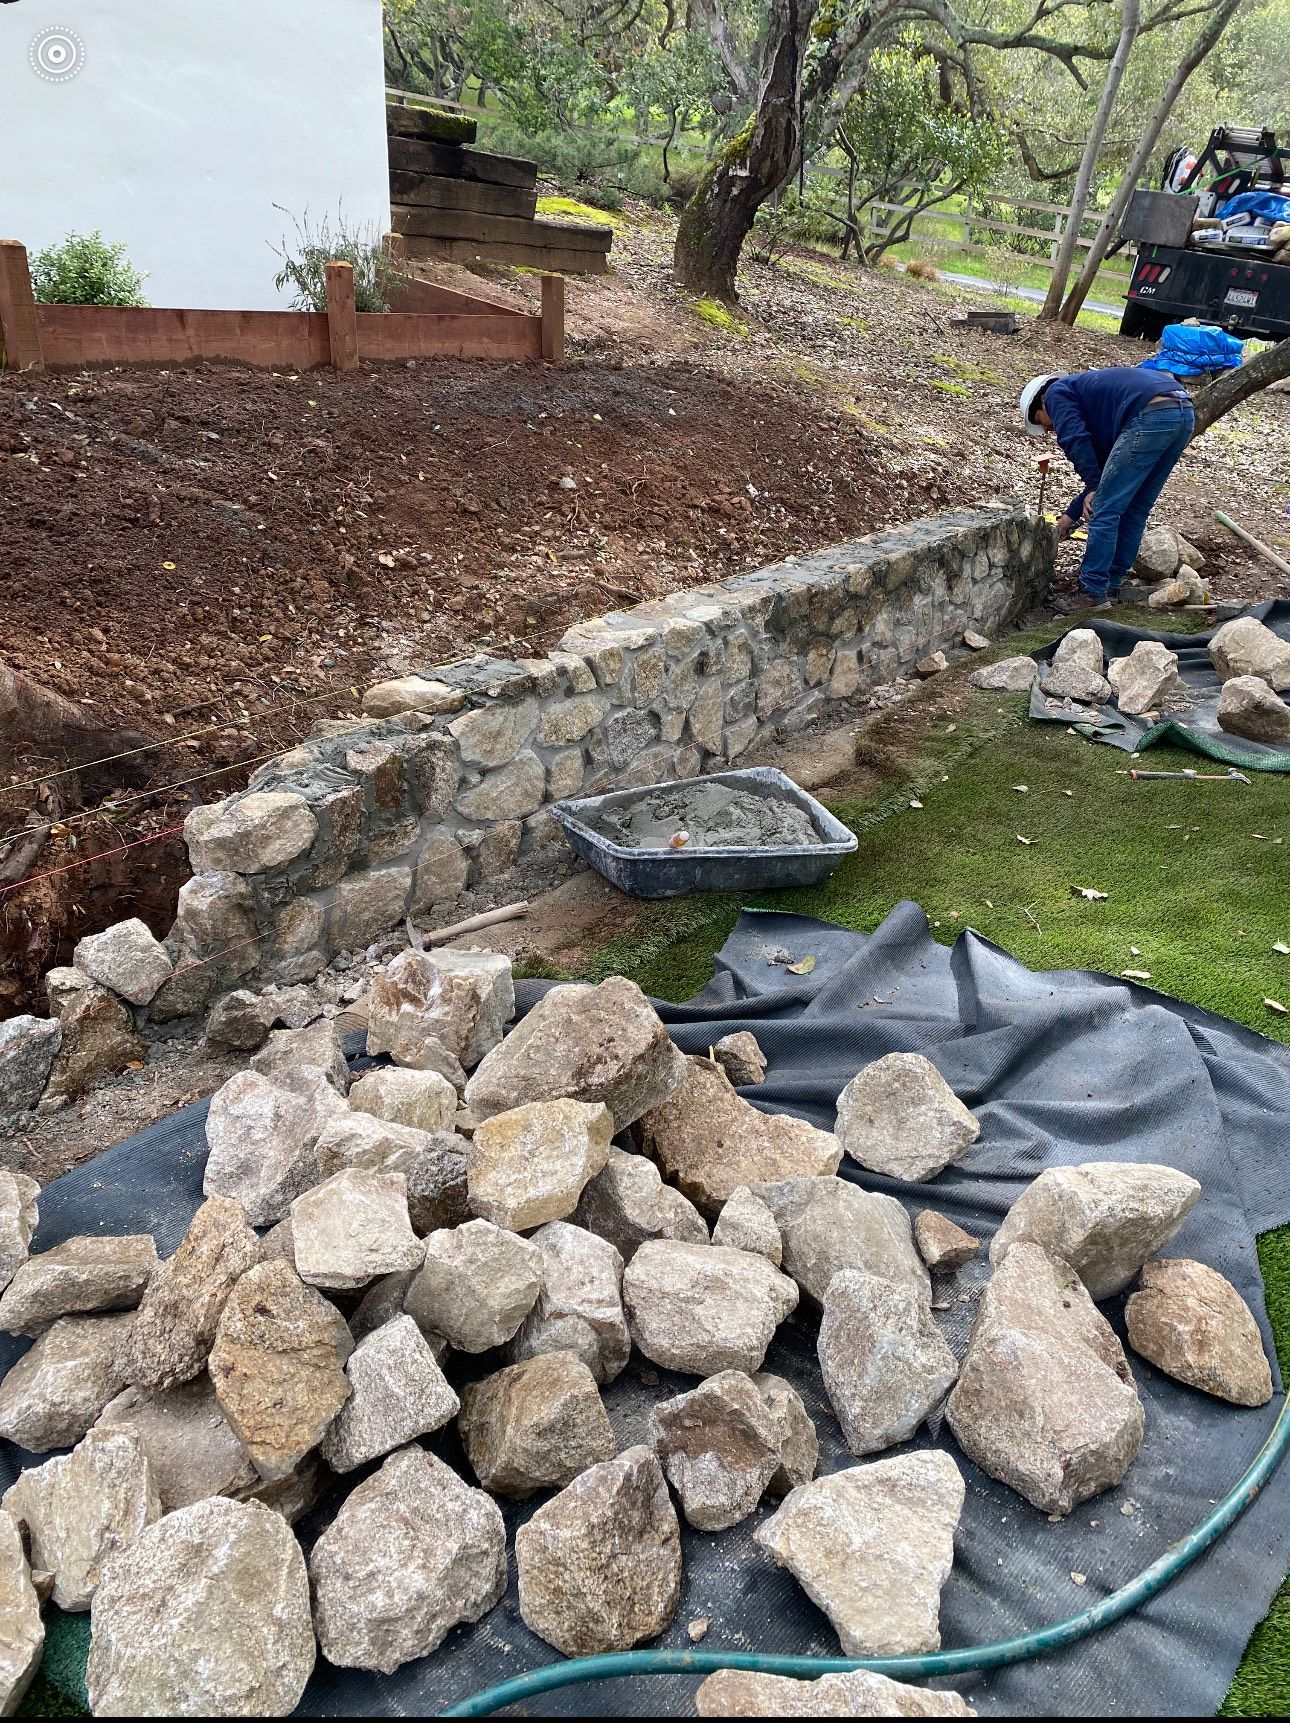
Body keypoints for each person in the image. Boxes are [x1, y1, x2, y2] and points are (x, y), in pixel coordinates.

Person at [1019, 367, 1194, 612]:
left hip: (1150, 415)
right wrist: (1070, 515)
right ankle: (1112, 584)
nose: (1049, 430)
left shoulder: (1056, 393)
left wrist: (1093, 489)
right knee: (1135, 509)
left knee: (1104, 511)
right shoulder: (1097, 407)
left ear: (1041, 402)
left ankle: (1092, 591)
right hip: (1182, 413)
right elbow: (1107, 479)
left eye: (1041, 422)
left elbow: (1074, 439)